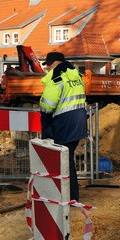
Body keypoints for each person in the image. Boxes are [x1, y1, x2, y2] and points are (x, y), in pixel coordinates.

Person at [39, 51, 87, 202]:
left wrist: (45, 127)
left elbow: (47, 106)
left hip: (64, 124)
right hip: (78, 123)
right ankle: (72, 196)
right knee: (68, 160)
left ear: (55, 63)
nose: (46, 68)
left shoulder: (56, 78)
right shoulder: (76, 76)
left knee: (62, 162)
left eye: (48, 65)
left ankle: (66, 196)